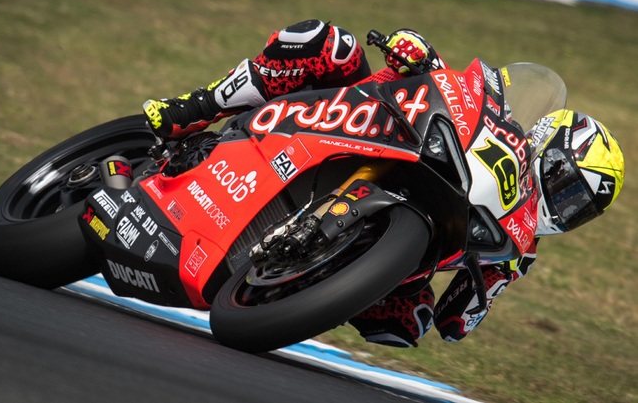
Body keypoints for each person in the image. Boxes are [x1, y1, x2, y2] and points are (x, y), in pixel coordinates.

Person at [143, 20, 625, 348]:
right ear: (547, 146)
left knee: (405, 322)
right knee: (325, 43)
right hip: (358, 125)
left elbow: (454, 324)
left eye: (579, 208)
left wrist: (476, 291)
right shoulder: (497, 124)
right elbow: (445, 83)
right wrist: (417, 54)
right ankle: (197, 107)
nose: (566, 207)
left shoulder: (519, 248)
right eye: (568, 188)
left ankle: (304, 275)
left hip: (401, 242)